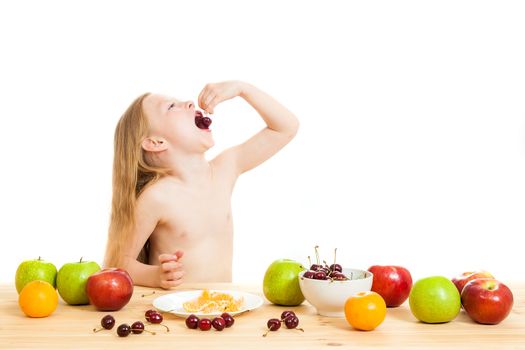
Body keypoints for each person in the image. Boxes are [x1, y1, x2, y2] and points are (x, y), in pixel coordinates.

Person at [103, 80, 299, 288]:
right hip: (176, 313)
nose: (189, 102)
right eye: (171, 106)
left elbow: (286, 128)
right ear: (156, 142)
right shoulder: (157, 197)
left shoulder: (225, 169)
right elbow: (115, 264)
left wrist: (242, 89)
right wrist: (155, 276)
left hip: (223, 309)